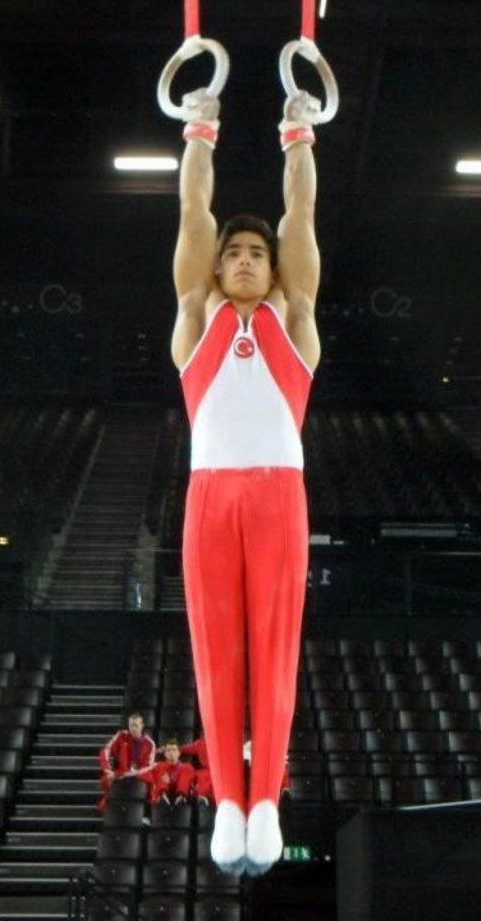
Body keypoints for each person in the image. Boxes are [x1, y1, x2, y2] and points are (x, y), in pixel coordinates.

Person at [171, 88, 321, 875]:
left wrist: (299, 137)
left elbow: (301, 223)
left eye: (255, 255)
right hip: (208, 495)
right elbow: (194, 212)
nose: (242, 260)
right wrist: (201, 128)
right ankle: (228, 799)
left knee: (274, 647)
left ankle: (266, 799)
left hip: (276, 496)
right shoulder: (193, 317)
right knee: (215, 652)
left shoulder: (294, 321)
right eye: (233, 253)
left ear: (273, 272)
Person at [97, 711, 156, 811]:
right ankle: (109, 804)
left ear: (142, 726)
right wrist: (106, 768)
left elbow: (148, 768)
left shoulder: (150, 743)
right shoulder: (121, 735)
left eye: (136, 725)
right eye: (131, 725)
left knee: (151, 784)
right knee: (105, 779)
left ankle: (147, 812)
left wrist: (118, 774)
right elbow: (106, 750)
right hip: (121, 771)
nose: (133, 728)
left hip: (140, 774)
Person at [138, 737, 195, 806]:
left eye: (174, 750)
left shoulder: (186, 767)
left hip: (182, 793)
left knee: (187, 769)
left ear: (178, 753)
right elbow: (142, 774)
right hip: (162, 793)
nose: (171, 753)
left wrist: (170, 780)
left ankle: (181, 797)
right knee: (160, 769)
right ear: (165, 754)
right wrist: (155, 779)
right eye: (168, 750)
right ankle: (162, 796)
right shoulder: (159, 766)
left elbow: (192, 781)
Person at [180, 732, 215, 805]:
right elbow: (188, 748)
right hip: (205, 771)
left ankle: (206, 798)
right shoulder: (201, 743)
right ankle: (198, 797)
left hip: (218, 772)